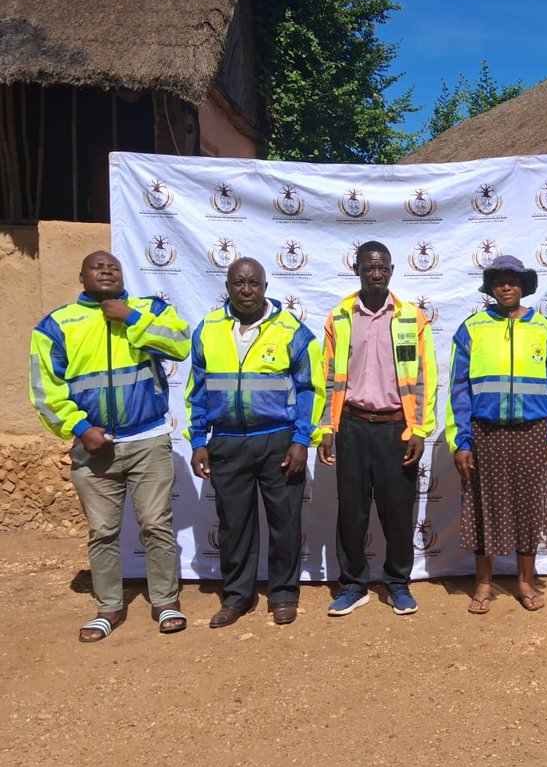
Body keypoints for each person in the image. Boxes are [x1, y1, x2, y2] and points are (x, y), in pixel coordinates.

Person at [29, 251, 191, 642]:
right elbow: (44, 390)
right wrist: (80, 428)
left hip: (147, 439)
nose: (106, 270)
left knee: (156, 524)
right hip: (93, 447)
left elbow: (180, 343)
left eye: (113, 266)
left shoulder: (148, 309)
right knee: (102, 530)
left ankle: (165, 600)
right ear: (81, 276)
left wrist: (131, 318)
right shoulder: (57, 325)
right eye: (97, 267)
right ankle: (108, 607)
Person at [186, 258, 325, 627]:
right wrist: (199, 439)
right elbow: (196, 389)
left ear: (265, 286)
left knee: (285, 522)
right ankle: (236, 597)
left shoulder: (290, 330)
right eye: (238, 283)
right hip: (227, 443)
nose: (246, 290)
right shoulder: (209, 329)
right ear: (228, 286)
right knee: (233, 525)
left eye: (253, 283)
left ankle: (282, 595)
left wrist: (301, 439)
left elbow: (311, 388)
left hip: (277, 441)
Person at [447, 255, 547, 614]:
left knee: (528, 507)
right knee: (483, 507)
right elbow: (459, 388)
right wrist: (461, 441)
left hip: (533, 433)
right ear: (490, 287)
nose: (506, 287)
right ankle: (483, 582)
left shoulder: (544, 330)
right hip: (484, 433)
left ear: (523, 287)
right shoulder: (472, 329)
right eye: (499, 281)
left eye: (513, 281)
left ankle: (524, 581)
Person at [317, 241, 436, 618]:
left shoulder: (410, 318)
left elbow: (424, 378)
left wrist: (419, 429)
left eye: (382, 266)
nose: (376, 272)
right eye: (369, 267)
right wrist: (326, 428)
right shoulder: (339, 317)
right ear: (356, 269)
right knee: (351, 510)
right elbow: (326, 377)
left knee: (397, 510)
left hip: (395, 428)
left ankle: (398, 583)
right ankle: (353, 585)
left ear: (391, 270)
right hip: (351, 425)